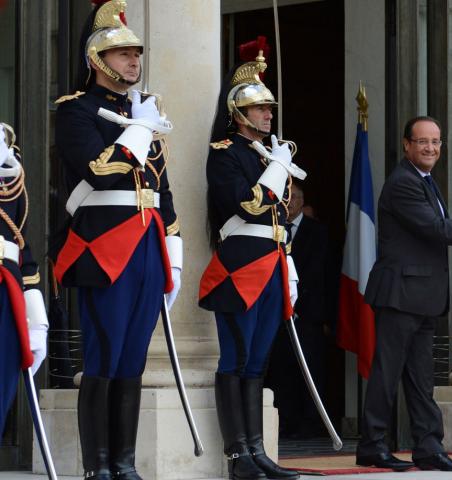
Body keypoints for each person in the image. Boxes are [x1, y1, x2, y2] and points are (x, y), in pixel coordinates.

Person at [52, 1, 181, 478]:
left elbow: (161, 191)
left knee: (133, 359)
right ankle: (97, 467)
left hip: (147, 246)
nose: (133, 62)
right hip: (103, 245)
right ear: (97, 60)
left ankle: (124, 464)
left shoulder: (141, 113)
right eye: (123, 54)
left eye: (136, 54)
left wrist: (175, 249)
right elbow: (99, 173)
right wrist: (140, 130)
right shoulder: (76, 111)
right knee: (104, 353)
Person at [356, 116, 452, 472]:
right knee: (387, 373)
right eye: (422, 141)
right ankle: (372, 445)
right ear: (407, 145)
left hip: (422, 296)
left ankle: (428, 446)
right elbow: (434, 227)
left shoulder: (425, 181)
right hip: (400, 295)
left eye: (436, 142)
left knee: (422, 377)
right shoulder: (403, 183)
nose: (430, 148)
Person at [199, 37, 304, 480]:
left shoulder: (267, 154)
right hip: (240, 266)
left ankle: (257, 450)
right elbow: (248, 204)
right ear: (239, 114)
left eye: (269, 108)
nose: (268, 114)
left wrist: (289, 265)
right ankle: (237, 455)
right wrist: (278, 168)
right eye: (260, 109)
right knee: (236, 358)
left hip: (272, 263)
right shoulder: (226, 155)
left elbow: (280, 219)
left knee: (259, 361)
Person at [265, 179, 336, 438]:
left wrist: (327, 316)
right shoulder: (272, 229)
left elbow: (324, 274)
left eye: (295, 197)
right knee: (282, 370)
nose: (290, 202)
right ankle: (285, 423)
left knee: (311, 370)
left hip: (309, 314)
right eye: (286, 197)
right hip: (278, 313)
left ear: (302, 201)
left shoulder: (318, 231)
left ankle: (311, 424)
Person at [0, 123, 48, 434]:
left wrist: (36, 314)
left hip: (7, 283)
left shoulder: (9, 156)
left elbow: (20, 241)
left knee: (2, 380)